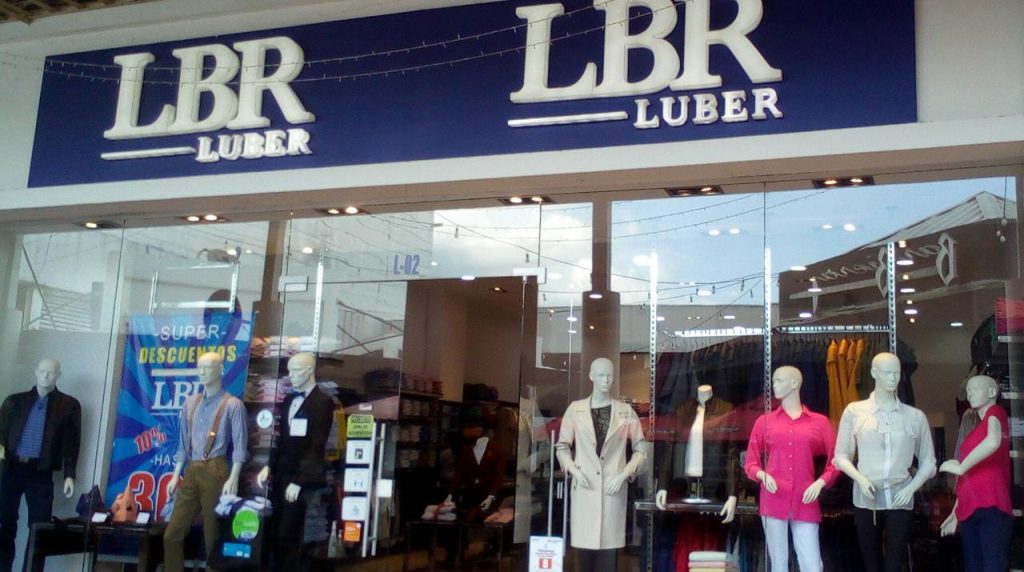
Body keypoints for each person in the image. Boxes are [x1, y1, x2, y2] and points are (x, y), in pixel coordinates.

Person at [833, 352, 936, 572]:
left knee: (895, 563)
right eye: (887, 372)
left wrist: (911, 488)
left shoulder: (915, 416)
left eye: (896, 372)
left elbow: (929, 462)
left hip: (900, 497)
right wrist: (860, 479)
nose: (893, 378)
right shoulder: (855, 412)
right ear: (873, 372)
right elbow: (841, 456)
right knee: (871, 563)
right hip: (867, 498)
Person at [556, 357, 649, 572]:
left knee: (609, 557)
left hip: (612, 489)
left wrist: (624, 474)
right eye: (601, 375)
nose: (606, 380)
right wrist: (574, 471)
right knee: (583, 557)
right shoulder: (575, 409)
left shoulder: (626, 411)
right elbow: (562, 447)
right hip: (585, 488)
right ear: (591, 376)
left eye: (609, 375)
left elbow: (642, 449)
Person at [744, 366, 839, 572]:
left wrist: (821, 482)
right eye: (773, 381)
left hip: (806, 499)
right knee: (778, 563)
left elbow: (837, 460)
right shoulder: (764, 422)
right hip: (773, 498)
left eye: (779, 380)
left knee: (812, 564)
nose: (774, 385)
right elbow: (750, 463)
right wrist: (762, 475)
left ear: (795, 383)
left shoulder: (819, 422)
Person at [163, 352, 247, 572]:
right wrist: (175, 475)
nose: (202, 371)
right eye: (199, 367)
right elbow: (183, 445)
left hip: (216, 469)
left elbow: (240, 446)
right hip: (191, 468)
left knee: (213, 537)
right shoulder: (190, 403)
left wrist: (233, 477)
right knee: (171, 535)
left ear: (221, 369)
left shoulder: (233, 405)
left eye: (207, 367)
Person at [0, 358, 81, 572]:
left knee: (39, 528)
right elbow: (1, 434)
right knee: (4, 523)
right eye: (43, 371)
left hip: (41, 472)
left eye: (51, 372)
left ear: (59, 375)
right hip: (11, 468)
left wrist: (69, 474)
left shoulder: (68, 405)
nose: (46, 376)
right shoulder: (14, 402)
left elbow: (72, 443)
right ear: (36, 372)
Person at [257, 353, 335, 571]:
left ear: (310, 371)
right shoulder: (289, 400)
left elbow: (317, 445)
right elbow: (281, 439)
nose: (290, 375)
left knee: (289, 533)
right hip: (282, 474)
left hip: (301, 477)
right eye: (289, 370)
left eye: (296, 370)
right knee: (274, 529)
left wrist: (299, 480)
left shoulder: (323, 403)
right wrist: (269, 465)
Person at [939, 375, 1012, 572]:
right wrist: (955, 514)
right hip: (969, 507)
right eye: (968, 390)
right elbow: (968, 477)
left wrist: (961, 467)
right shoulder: (974, 435)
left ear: (992, 392)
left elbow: (993, 441)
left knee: (992, 566)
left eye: (975, 388)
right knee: (974, 566)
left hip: (991, 503)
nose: (970, 393)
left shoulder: (996, 413)